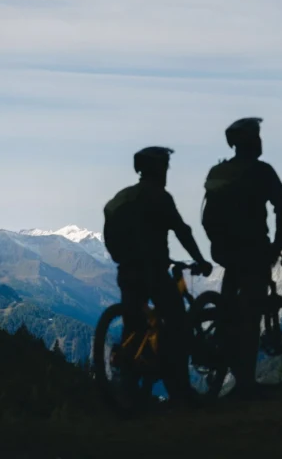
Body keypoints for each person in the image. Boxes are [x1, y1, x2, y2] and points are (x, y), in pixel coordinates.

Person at [103, 146, 212, 405]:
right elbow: (182, 231)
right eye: (165, 167)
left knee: (134, 327)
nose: (167, 173)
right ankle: (180, 392)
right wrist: (199, 259)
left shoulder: (122, 197)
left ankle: (129, 393)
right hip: (153, 271)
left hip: (126, 270)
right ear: (158, 170)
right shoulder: (159, 196)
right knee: (177, 325)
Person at [201, 117, 282, 397]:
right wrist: (278, 245)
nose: (261, 141)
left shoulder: (219, 171)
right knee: (252, 315)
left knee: (229, 306)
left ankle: (221, 354)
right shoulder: (261, 171)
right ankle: (245, 383)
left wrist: (218, 243)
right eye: (257, 137)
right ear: (251, 142)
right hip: (254, 251)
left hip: (226, 252)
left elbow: (206, 218)